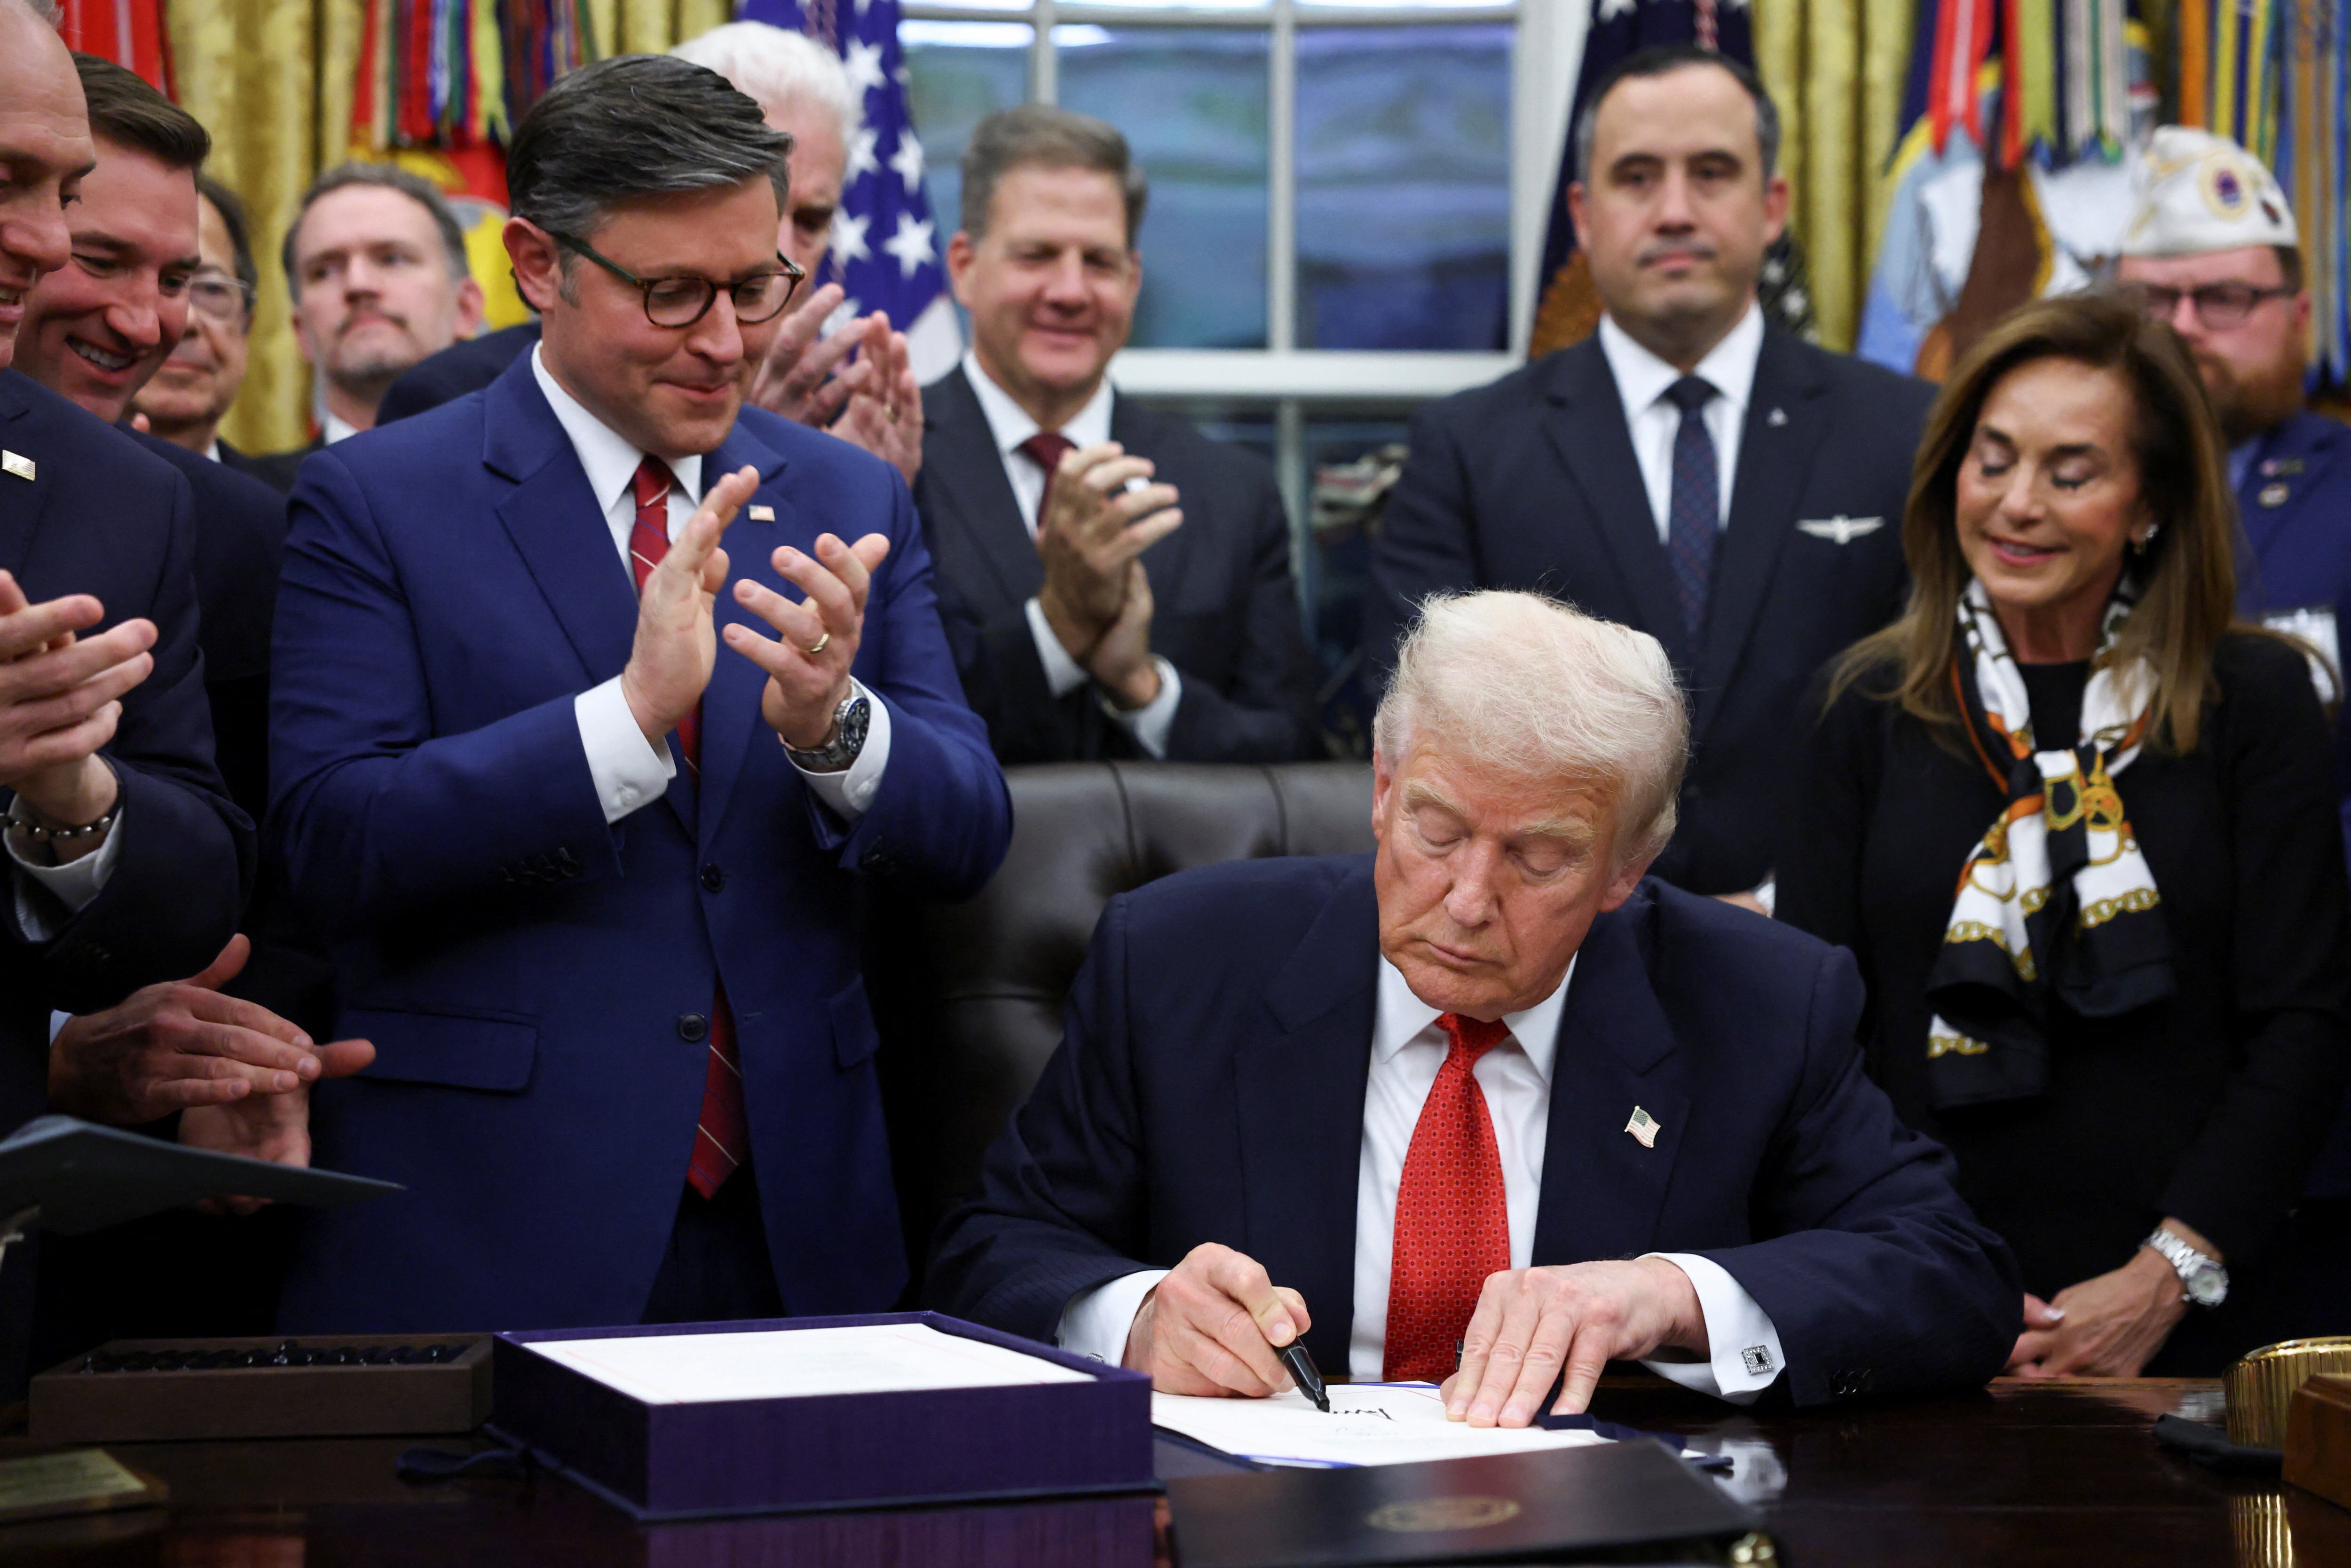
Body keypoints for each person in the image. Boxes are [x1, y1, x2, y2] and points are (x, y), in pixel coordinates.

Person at [269, 55, 1011, 1333]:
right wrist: (620, 719)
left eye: (756, 284)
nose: (727, 339)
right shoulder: (378, 500)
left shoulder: (848, 495)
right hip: (494, 1222)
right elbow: (332, 840)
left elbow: (970, 829)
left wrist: (834, 728)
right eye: (672, 293)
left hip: (801, 1225)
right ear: (538, 264)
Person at [929, 590, 2020, 1418]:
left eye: (1538, 858)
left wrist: (1669, 1297)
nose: (1465, 899)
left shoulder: (1757, 997)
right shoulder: (1178, 960)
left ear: (1626, 869)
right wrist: (1136, 1319)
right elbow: (991, 1253)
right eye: (1437, 830)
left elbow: (1954, 1274)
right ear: (1380, 785)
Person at [1775, 292, 2351, 1376]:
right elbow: (1821, 1041)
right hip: (1914, 1301)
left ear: (2150, 503)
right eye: (1991, 460)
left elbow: (2304, 1027)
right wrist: (1919, 1268)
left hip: (2192, 1320)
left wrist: (2162, 1277)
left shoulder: (2257, 702)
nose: (2016, 504)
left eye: (2069, 471)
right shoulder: (1861, 706)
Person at [1365, 46, 1931, 900]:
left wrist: (1785, 910)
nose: (1674, 210)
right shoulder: (1469, 447)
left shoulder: (1907, 432)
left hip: (1831, 958)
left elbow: (1939, 725)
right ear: (1584, 216)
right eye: (1637, 177)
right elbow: (1418, 737)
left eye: (1711, 173)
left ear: (1773, 204)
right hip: (1549, 959)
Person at [0, 0, 258, 1395]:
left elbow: (204, 871)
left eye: (59, 194)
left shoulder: (121, 498)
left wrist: (69, 805)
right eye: (10, 186)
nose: (39, 245)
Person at [916, 106, 1322, 765]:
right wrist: (1060, 629)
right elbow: (879, 730)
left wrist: (1142, 687)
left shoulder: (1231, 493)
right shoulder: (884, 462)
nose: (1071, 291)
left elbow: (1294, 754)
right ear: (964, 266)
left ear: (1132, 283)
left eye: (1099, 261)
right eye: (1037, 255)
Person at [373, 23, 922, 488]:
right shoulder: (449, 402)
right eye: (671, 289)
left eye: (811, 219)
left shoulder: (865, 420)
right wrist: (739, 447)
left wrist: (847, 504)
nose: (772, 246)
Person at [15, 55, 283, 824]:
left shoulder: (228, 527)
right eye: (100, 262)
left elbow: (254, 856)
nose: (144, 323)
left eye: (176, 282)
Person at [243, 164, 486, 491]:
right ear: (301, 332)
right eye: (324, 271)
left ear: (465, 307)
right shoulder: (251, 504)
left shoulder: (550, 481)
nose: (358, 284)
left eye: (393, 259)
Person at [133, 175, 267, 479]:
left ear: (247, 323)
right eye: (167, 284)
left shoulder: (287, 511)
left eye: (212, 289)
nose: (187, 321)